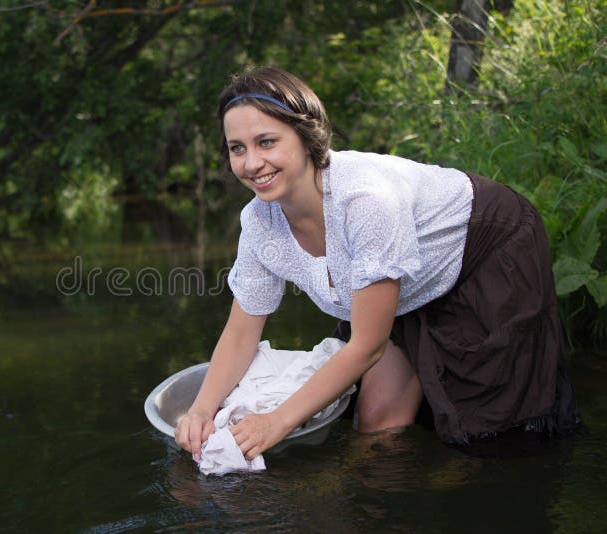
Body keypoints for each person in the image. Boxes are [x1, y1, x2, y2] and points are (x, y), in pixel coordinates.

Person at [174, 66, 581, 461]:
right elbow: (241, 334)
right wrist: (200, 411)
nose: (251, 163)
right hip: (402, 283)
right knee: (375, 425)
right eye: (237, 148)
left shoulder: (364, 201)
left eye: (267, 142)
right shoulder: (259, 223)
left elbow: (366, 346)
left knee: (485, 433)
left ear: (304, 136)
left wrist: (276, 422)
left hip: (487, 247)